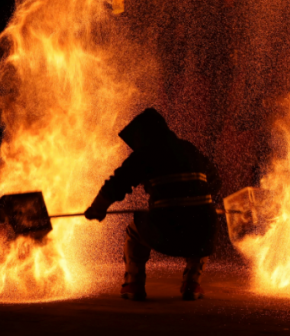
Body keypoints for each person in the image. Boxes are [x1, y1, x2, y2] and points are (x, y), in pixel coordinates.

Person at [85, 108, 221, 301]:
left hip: (168, 231)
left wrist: (97, 209)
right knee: (203, 218)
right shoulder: (190, 149)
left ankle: (134, 284)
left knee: (134, 231)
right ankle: (193, 283)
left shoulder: (147, 153)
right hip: (204, 234)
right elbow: (215, 182)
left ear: (144, 135)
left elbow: (117, 184)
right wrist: (196, 201)